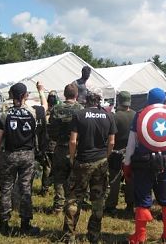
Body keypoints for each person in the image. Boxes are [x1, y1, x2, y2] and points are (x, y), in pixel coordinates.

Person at [123, 88, 166, 244]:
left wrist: (127, 163)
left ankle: (140, 237)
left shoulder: (140, 115)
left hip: (143, 164)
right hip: (165, 163)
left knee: (142, 199)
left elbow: (131, 143)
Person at [0, 82, 48, 235]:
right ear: (25, 96)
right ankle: (25, 224)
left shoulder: (5, 114)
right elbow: (45, 106)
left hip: (9, 155)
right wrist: (41, 91)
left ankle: (4, 224)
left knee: (6, 189)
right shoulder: (33, 112)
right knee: (26, 189)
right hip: (27, 156)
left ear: (11, 95)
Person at [62, 88, 117, 244]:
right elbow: (112, 142)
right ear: (99, 99)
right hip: (100, 161)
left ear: (86, 99)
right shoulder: (108, 116)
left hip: (82, 161)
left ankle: (69, 236)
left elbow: (73, 141)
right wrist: (105, 157)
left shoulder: (79, 115)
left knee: (74, 199)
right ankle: (94, 235)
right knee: (98, 200)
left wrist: (72, 158)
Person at [48, 84, 83, 214]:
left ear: (64, 94)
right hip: (76, 148)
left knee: (59, 178)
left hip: (60, 147)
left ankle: (58, 206)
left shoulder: (56, 109)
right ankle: (72, 205)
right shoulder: (80, 109)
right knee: (74, 178)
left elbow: (51, 129)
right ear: (76, 95)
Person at [105, 91, 135, 215]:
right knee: (130, 180)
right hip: (132, 152)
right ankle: (130, 204)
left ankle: (112, 206)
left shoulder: (114, 116)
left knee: (114, 180)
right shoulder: (136, 115)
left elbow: (109, 137)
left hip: (116, 152)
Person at [37, 90, 59, 197]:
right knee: (51, 167)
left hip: (47, 144)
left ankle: (45, 189)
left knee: (47, 167)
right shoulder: (58, 111)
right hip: (54, 144)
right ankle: (47, 189)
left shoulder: (44, 112)